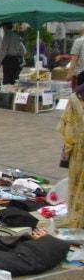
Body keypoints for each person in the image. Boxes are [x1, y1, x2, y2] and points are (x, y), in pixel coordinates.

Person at [58, 87, 84, 228]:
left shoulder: (75, 99)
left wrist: (67, 151)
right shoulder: (75, 99)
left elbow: (68, 130)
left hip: (80, 150)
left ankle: (78, 216)